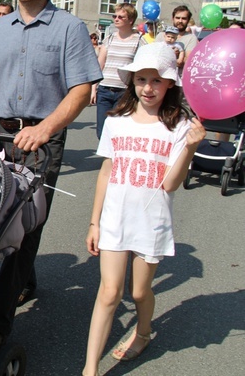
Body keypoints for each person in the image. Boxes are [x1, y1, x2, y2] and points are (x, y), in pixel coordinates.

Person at [0, 0, 102, 349]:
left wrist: (45, 128)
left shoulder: (69, 28)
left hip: (41, 140)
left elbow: (80, 89)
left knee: (24, 227)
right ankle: (25, 280)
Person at [82, 44, 205, 375]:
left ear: (169, 85)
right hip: (114, 219)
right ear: (131, 82)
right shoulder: (116, 121)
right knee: (108, 293)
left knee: (138, 292)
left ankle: (145, 331)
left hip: (151, 221)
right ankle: (90, 369)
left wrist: (191, 147)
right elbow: (106, 173)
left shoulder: (179, 126)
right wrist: (94, 223)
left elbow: (170, 184)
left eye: (156, 80)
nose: (148, 88)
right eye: (141, 80)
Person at [92, 3, 145, 139]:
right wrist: (93, 88)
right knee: (102, 132)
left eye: (121, 17)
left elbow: (142, 67)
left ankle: (116, 159)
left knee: (118, 131)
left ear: (131, 20)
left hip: (124, 91)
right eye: (114, 16)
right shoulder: (109, 39)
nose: (116, 19)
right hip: (104, 90)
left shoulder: (139, 40)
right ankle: (107, 159)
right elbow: (99, 65)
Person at [155, 5, 198, 73]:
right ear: (173, 18)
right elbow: (154, 56)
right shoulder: (161, 35)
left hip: (179, 79)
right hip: (161, 76)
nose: (180, 21)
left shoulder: (191, 38)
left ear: (188, 20)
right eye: (177, 18)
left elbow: (188, 61)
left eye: (184, 18)